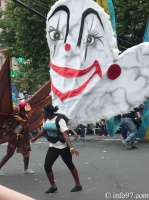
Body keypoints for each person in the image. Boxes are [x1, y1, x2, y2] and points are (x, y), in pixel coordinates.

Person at [31, 104, 82, 193]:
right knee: (47, 165)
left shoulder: (59, 120)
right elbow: (43, 130)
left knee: (70, 165)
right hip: (53, 146)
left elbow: (65, 134)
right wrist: (35, 138)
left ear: (49, 113)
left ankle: (78, 185)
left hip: (63, 146)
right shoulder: (46, 119)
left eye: (44, 113)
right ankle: (53, 186)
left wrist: (71, 148)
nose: (42, 114)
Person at [0, 104, 34, 176]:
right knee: (9, 154)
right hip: (14, 138)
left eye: (25, 110)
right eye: (22, 110)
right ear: (19, 110)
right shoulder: (16, 118)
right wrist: (17, 135)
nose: (23, 111)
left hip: (24, 138)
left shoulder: (26, 116)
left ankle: (26, 169)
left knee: (26, 153)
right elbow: (10, 130)